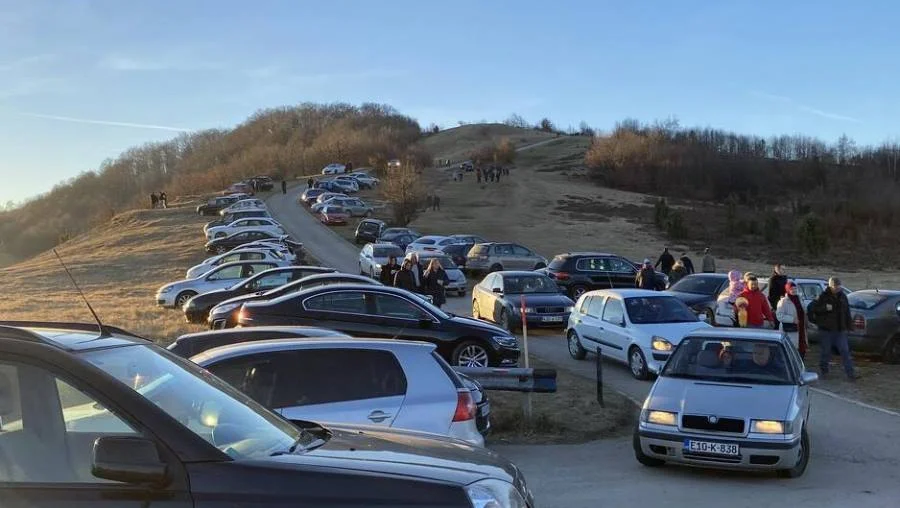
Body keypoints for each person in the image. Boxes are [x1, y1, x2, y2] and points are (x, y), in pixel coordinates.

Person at [811, 277, 860, 380]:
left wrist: (849, 325)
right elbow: (813, 309)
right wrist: (825, 309)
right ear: (830, 286)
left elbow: (847, 312)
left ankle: (850, 373)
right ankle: (824, 371)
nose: (837, 288)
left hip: (840, 329)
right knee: (826, 352)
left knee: (845, 351)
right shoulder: (823, 296)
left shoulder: (843, 296)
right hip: (826, 330)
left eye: (839, 286)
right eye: (835, 286)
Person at [776, 281, 808, 358]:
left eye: (795, 288)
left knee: (801, 350)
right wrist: (792, 319)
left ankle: (800, 366)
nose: (794, 290)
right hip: (790, 329)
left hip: (801, 329)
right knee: (792, 351)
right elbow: (779, 316)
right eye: (791, 289)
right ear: (787, 289)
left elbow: (804, 311)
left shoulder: (799, 299)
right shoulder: (783, 301)